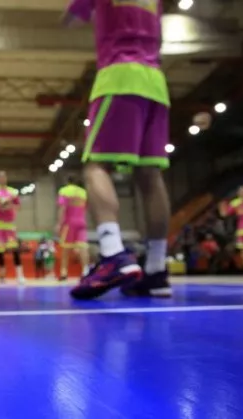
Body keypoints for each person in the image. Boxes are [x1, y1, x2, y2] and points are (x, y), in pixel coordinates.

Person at [62, 0, 172, 299]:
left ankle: (112, 254)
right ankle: (156, 270)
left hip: (119, 75)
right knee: (150, 175)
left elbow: (71, 18)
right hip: (156, 82)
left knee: (95, 165)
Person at [56, 177, 90, 280]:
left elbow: (62, 208)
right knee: (83, 247)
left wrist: (59, 224)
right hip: (81, 222)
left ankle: (64, 273)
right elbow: (85, 209)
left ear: (68, 182)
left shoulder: (64, 191)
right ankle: (86, 271)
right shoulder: (83, 192)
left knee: (66, 248)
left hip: (69, 223)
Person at [219, 185, 243, 277]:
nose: (242, 193)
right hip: (241, 230)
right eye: (241, 192)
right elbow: (225, 214)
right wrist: (221, 208)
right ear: (238, 193)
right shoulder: (235, 203)